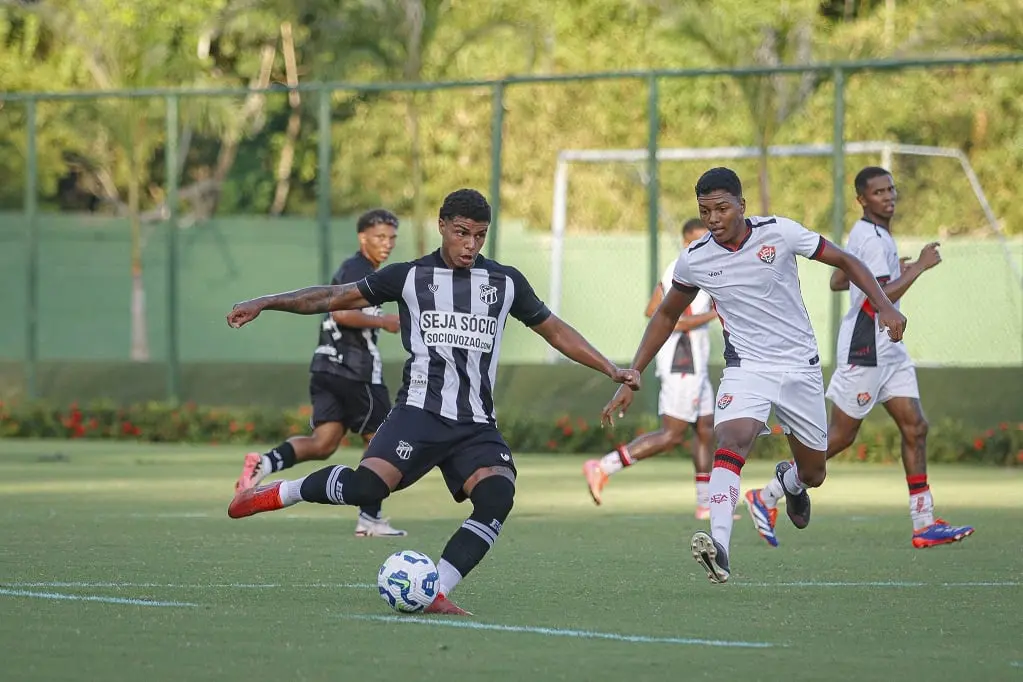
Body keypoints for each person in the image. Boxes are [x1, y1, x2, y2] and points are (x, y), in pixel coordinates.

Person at [225, 189, 640, 614]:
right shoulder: (409, 277)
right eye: (462, 233)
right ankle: (283, 491)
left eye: (480, 236)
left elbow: (554, 330)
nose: (470, 245)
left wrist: (610, 368)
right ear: (442, 225)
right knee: (367, 487)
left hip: (476, 424)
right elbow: (332, 298)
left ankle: (436, 590)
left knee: (498, 495)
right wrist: (265, 302)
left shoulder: (505, 281)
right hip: (418, 414)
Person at [601, 167, 906, 584]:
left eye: (722, 208)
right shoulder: (696, 258)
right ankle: (720, 546)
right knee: (732, 438)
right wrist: (635, 368)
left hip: (801, 367)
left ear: (742, 206)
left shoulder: (779, 233)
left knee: (814, 472)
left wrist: (885, 304)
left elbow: (845, 260)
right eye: (705, 211)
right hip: (747, 368)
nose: (713, 219)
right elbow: (667, 312)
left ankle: (790, 482)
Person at [744, 167, 974, 549]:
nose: (888, 196)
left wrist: (888, 270)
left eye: (891, 189)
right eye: (878, 192)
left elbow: (839, 280)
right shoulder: (868, 236)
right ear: (862, 200)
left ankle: (924, 522)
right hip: (866, 349)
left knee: (916, 428)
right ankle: (768, 494)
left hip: (890, 351)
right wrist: (918, 267)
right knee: (839, 437)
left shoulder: (875, 235)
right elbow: (875, 297)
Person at [233, 209, 408, 538]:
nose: (387, 245)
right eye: (380, 237)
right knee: (381, 439)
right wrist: (383, 321)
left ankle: (265, 464)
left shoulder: (353, 268)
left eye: (392, 238)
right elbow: (342, 315)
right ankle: (370, 517)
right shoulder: (359, 269)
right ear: (362, 238)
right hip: (356, 370)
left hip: (326, 365)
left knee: (323, 442)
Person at [583, 218, 719, 518]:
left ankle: (705, 503)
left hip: (696, 364)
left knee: (706, 429)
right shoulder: (684, 267)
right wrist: (713, 316)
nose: (706, 241)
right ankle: (604, 466)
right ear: (686, 241)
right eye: (699, 238)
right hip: (681, 363)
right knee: (672, 434)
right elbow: (673, 320)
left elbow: (651, 308)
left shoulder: (700, 265)